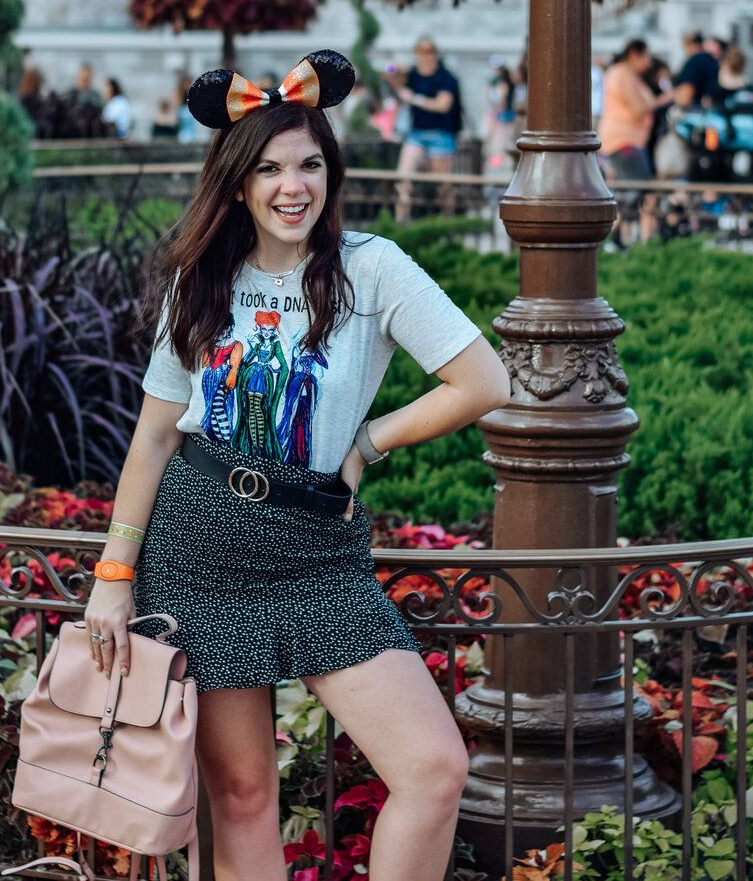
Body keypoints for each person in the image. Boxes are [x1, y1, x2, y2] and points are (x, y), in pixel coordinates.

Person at [82, 50, 510, 881]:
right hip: (199, 546)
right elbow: (155, 438)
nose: (293, 186)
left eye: (310, 163)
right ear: (239, 182)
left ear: (330, 171)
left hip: (318, 553)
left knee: (433, 768)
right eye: (271, 168)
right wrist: (113, 570)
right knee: (242, 797)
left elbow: (484, 380)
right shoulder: (201, 280)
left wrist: (367, 442)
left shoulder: (371, 268)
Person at [598, 39, 672, 244]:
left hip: (629, 141)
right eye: (646, 57)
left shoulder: (626, 74)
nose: (648, 63)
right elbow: (638, 108)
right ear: (634, 54)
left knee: (634, 191)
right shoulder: (622, 74)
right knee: (636, 190)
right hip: (623, 141)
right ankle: (615, 238)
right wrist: (669, 97)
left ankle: (621, 238)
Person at [388, 39, 461, 220]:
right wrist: (394, 70)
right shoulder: (413, 75)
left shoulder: (445, 77)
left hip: (440, 133)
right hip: (417, 134)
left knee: (443, 186)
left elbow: (443, 105)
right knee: (403, 180)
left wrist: (415, 99)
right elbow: (396, 84)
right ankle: (400, 224)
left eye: (429, 51)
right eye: (422, 51)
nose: (426, 55)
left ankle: (447, 222)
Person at [673, 31, 720, 108]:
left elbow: (686, 92)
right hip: (712, 108)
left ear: (690, 44)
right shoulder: (712, 60)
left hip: (696, 111)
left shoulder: (693, 62)